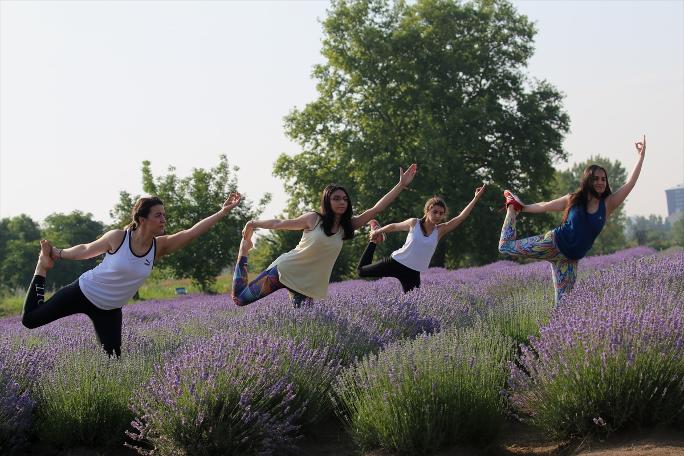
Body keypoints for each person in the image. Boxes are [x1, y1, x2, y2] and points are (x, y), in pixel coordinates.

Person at [21, 193, 242, 356]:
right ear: (143, 219)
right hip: (83, 292)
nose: (164, 219)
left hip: (109, 310)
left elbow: (192, 232)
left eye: (164, 215)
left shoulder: (159, 247)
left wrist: (223, 212)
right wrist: (57, 254)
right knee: (30, 320)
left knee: (114, 362)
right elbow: (86, 250)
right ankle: (42, 267)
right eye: (158, 215)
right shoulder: (118, 238)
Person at [231, 164, 418, 307]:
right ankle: (243, 251)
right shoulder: (314, 219)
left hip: (305, 286)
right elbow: (279, 223)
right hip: (284, 271)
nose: (342, 202)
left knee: (306, 327)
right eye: (336, 198)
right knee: (240, 299)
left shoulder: (348, 226)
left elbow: (377, 208)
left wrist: (400, 185)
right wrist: (253, 223)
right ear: (327, 201)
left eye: (345, 199)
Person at [498, 135, 646, 304]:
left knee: (564, 307)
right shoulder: (573, 199)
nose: (600, 182)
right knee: (505, 247)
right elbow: (545, 205)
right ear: (587, 180)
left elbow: (630, 184)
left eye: (603, 179)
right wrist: (521, 208)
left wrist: (640, 157)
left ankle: (552, 331)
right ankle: (511, 208)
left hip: (569, 260)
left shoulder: (608, 205)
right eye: (596, 179)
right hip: (551, 244)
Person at [357, 186, 486, 292]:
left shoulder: (440, 230)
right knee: (362, 272)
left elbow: (461, 217)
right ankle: (373, 242)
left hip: (413, 272)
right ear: (427, 211)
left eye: (441, 213)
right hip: (396, 262)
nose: (437, 215)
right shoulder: (414, 223)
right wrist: (378, 231)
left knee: (413, 307)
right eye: (435, 212)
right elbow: (394, 226)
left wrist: (475, 198)